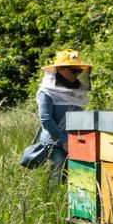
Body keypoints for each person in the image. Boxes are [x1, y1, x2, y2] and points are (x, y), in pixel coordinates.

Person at [22, 49, 91, 180]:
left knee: (74, 175)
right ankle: (50, 198)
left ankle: (67, 200)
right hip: (54, 142)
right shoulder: (46, 92)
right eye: (73, 70)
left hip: (73, 141)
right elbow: (46, 119)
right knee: (57, 171)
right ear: (60, 69)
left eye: (79, 71)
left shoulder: (76, 91)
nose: (77, 74)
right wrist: (63, 141)